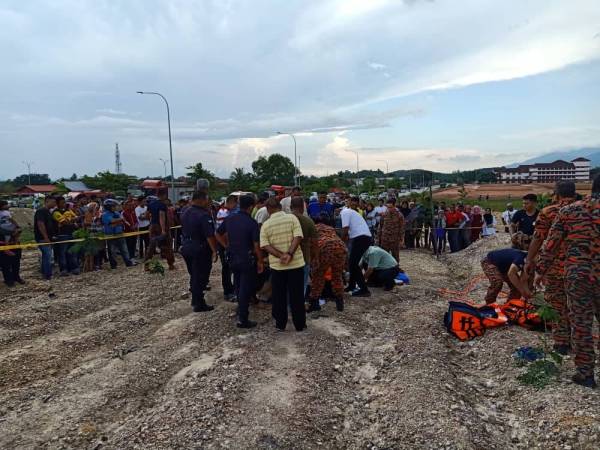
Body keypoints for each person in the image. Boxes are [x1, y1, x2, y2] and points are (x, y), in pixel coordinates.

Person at [535, 175, 599, 388]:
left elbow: (550, 245)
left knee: (581, 324)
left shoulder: (569, 212)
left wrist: (539, 270)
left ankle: (585, 373)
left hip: (577, 277)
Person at [525, 181, 576, 356]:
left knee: (558, 305)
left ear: (556, 194)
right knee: (581, 307)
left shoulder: (549, 212)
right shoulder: (587, 211)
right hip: (582, 268)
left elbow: (538, 238)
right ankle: (581, 342)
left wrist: (530, 259)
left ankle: (562, 342)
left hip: (555, 268)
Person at [216, 194, 263, 328]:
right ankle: (243, 318)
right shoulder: (251, 223)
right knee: (245, 288)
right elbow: (256, 246)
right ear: (250, 207)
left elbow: (217, 233)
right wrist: (260, 261)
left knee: (237, 284)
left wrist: (226, 246)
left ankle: (240, 311)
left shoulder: (230, 218)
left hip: (232, 256)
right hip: (246, 259)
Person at [260, 197, 306, 332]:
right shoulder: (292, 219)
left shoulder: (266, 225)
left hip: (277, 266)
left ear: (268, 209)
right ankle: (299, 324)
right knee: (296, 295)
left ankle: (281, 324)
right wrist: (290, 254)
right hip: (296, 264)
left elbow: (265, 245)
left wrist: (281, 256)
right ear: (280, 207)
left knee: (279, 295)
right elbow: (298, 237)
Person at [181, 191, 218, 313]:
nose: (208, 202)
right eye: (207, 200)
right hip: (200, 248)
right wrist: (214, 251)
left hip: (186, 246)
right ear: (201, 200)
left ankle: (195, 299)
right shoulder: (203, 215)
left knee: (194, 274)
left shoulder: (185, 211)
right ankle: (199, 303)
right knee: (201, 276)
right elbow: (209, 235)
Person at [308, 214, 347, 312]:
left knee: (318, 276)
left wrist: (313, 259)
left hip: (325, 248)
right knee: (337, 275)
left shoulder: (314, 227)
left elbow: (312, 244)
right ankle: (339, 303)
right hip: (341, 247)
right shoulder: (330, 228)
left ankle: (314, 304)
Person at [341, 196, 372, 297]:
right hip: (363, 237)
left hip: (361, 238)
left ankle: (364, 289)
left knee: (353, 264)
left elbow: (345, 230)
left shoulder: (345, 212)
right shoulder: (351, 212)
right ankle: (351, 285)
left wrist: (341, 242)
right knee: (351, 263)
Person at [291, 197, 318, 298]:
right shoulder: (309, 221)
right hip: (304, 257)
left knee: (289, 284)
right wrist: (316, 258)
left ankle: (289, 305)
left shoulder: (287, 220)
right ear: (303, 207)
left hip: (288, 256)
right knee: (302, 284)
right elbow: (315, 243)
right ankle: (299, 306)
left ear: (290, 207)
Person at [144, 190, 175, 270]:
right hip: (160, 227)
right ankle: (171, 264)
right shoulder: (162, 205)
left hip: (152, 226)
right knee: (167, 246)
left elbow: (146, 215)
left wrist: (151, 221)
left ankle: (146, 265)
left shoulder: (150, 204)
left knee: (151, 245)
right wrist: (163, 229)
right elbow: (161, 216)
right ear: (164, 195)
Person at [102, 199, 134, 269]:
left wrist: (117, 222)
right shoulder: (105, 214)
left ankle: (128, 262)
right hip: (110, 235)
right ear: (108, 207)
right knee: (112, 251)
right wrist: (119, 220)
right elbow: (112, 221)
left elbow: (122, 221)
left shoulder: (117, 213)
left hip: (120, 233)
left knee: (124, 249)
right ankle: (113, 265)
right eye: (113, 206)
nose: (115, 207)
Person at [51, 196, 79, 276]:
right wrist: (72, 221)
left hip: (71, 233)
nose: (64, 204)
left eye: (64, 202)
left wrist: (71, 221)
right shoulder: (56, 212)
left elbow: (76, 218)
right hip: (62, 235)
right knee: (62, 253)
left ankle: (73, 268)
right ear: (57, 204)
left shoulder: (68, 210)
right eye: (62, 203)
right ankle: (63, 269)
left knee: (72, 251)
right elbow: (64, 223)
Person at [216, 195, 237, 301]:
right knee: (227, 268)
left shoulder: (226, 211)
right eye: (235, 203)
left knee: (228, 268)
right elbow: (224, 232)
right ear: (231, 202)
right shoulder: (224, 212)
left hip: (225, 244)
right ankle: (228, 292)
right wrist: (227, 246)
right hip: (225, 244)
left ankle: (230, 289)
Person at [0, 200, 23, 286]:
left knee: (16, 261)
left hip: (13, 241)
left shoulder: (7, 213)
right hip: (3, 243)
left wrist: (17, 228)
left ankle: (16, 277)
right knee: (5, 263)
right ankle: (8, 280)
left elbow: (13, 222)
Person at [34, 196, 57, 280]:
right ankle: (48, 274)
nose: (55, 203)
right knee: (48, 256)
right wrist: (46, 237)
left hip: (48, 237)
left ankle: (45, 273)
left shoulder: (48, 211)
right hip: (42, 238)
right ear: (47, 201)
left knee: (46, 256)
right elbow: (41, 225)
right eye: (53, 201)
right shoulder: (41, 211)